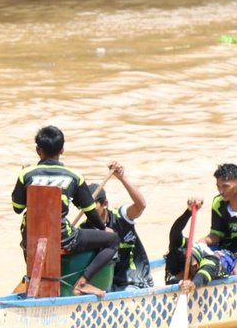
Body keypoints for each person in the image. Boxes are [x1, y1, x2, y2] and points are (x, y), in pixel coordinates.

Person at [11, 125, 117, 297]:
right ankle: (83, 283)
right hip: (62, 238)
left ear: (39, 151)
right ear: (62, 150)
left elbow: (17, 208)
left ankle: (36, 283)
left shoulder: (27, 174)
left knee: (31, 229)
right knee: (112, 240)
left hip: (30, 237)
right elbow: (90, 211)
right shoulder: (73, 176)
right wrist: (103, 228)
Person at [93, 160, 150, 289]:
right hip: (109, 284)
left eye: (93, 204)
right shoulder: (85, 227)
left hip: (135, 281)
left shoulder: (121, 217)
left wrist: (121, 178)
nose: (88, 209)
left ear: (105, 204)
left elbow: (141, 205)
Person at [165, 199, 234, 289]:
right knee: (171, 282)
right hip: (201, 251)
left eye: (183, 276)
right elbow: (175, 232)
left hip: (222, 262)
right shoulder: (178, 251)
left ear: (194, 267)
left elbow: (202, 276)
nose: (181, 279)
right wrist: (188, 212)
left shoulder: (210, 261)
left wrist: (192, 285)